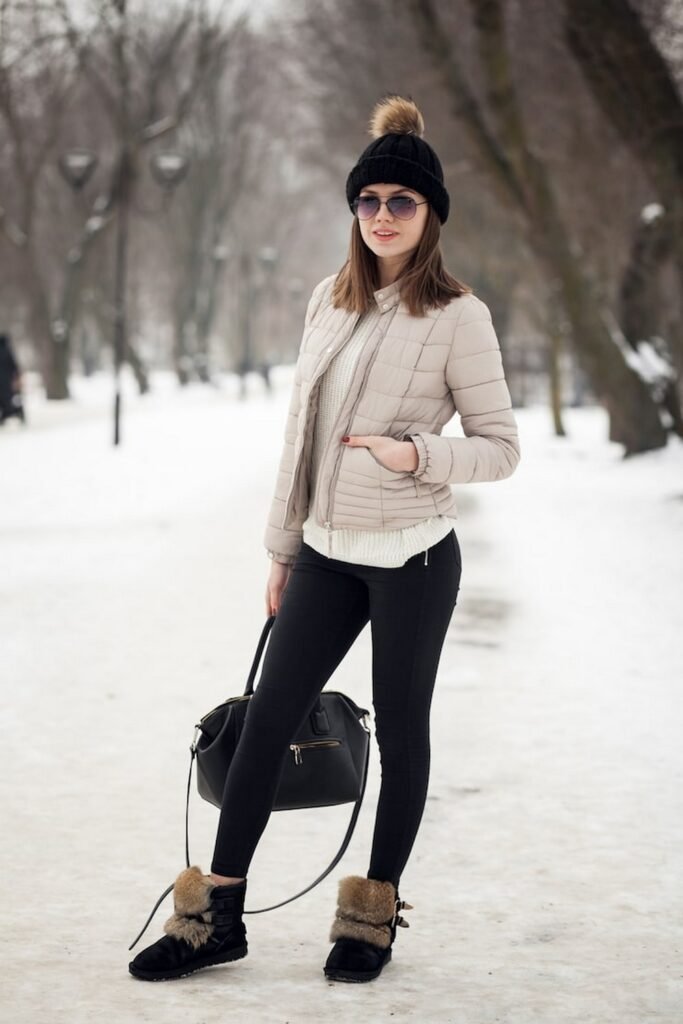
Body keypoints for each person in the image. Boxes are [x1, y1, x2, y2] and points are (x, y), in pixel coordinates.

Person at [129, 94, 521, 984]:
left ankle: (369, 919)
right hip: (327, 552)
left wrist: (413, 452)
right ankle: (213, 920)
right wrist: (281, 547)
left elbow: (501, 450)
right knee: (265, 722)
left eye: (402, 203)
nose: (383, 216)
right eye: (370, 201)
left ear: (430, 215)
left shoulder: (460, 315)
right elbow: (297, 439)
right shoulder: (327, 301)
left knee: (405, 734)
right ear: (354, 211)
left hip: (415, 559)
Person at [0, 333, 24, 425]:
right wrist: (17, 377)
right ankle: (11, 413)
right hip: (7, 381)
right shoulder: (7, 351)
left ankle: (5, 415)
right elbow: (14, 366)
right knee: (9, 398)